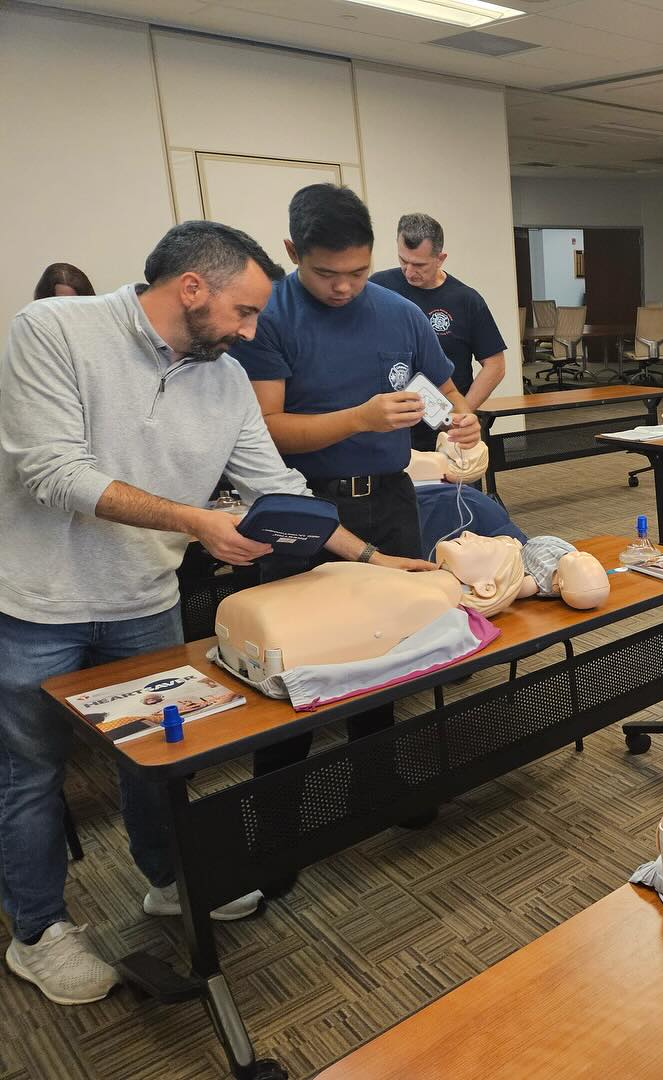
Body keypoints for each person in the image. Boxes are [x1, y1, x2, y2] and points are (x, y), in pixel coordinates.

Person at [0, 221, 430, 1006]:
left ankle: (169, 879)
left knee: (158, 758)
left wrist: (368, 558)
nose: (251, 331)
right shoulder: (55, 330)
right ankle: (39, 932)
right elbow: (54, 473)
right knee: (31, 773)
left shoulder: (222, 374)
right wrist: (199, 522)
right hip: (39, 604)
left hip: (142, 600)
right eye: (244, 311)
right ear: (192, 289)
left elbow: (279, 490)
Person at [231, 183, 480, 841]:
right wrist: (359, 419)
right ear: (292, 252)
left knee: (388, 644)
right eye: (326, 273)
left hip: (390, 500)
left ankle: (378, 782)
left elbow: (436, 391)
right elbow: (268, 430)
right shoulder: (270, 317)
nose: (344, 288)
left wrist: (460, 421)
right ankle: (277, 822)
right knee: (294, 659)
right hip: (303, 507)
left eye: (358, 272)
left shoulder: (397, 312)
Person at [371, 213, 507, 450]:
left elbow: (495, 365)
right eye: (403, 260)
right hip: (392, 428)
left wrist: (459, 414)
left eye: (419, 265)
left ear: (440, 258)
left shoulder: (466, 300)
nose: (409, 271)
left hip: (445, 430)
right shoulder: (379, 287)